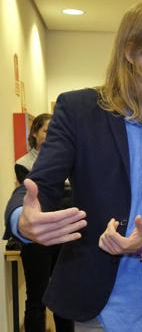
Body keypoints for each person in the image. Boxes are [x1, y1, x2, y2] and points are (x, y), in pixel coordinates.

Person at [3, 2, 142, 332]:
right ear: (131, 51)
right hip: (101, 307)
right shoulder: (77, 109)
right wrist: (22, 219)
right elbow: (38, 186)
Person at [6, 113, 74, 332]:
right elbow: (41, 192)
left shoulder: (67, 159)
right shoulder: (23, 164)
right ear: (34, 133)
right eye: (46, 130)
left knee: (63, 294)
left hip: (61, 236)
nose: (51, 134)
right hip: (35, 240)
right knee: (37, 297)